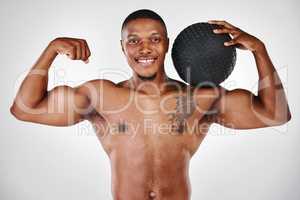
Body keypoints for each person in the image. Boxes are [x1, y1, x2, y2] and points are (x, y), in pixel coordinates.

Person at [10, 9, 291, 200]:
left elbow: (275, 114)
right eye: (134, 41)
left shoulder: (200, 98)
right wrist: (51, 49)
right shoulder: (101, 96)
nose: (144, 48)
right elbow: (25, 108)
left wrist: (259, 50)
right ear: (123, 47)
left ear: (167, 45)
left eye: (154, 40)